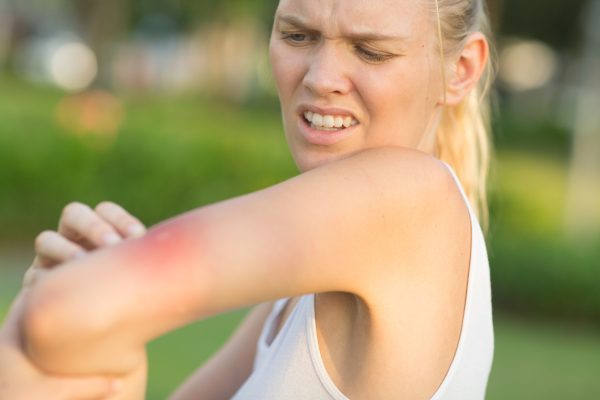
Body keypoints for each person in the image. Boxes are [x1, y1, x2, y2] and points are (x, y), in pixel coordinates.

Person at [0, 0, 495, 398]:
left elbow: (60, 313)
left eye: (371, 51)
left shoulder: (409, 196)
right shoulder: (303, 287)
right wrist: (110, 373)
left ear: (461, 69)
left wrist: (66, 308)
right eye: (298, 35)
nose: (321, 77)